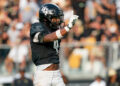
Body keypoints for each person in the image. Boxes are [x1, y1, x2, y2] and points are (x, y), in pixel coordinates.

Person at [30, 3, 78, 86]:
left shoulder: (55, 29)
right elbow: (48, 38)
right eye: (55, 18)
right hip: (43, 75)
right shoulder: (37, 27)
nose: (58, 20)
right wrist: (68, 27)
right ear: (46, 18)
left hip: (57, 74)